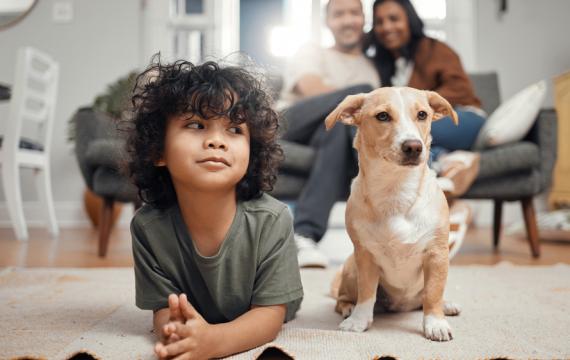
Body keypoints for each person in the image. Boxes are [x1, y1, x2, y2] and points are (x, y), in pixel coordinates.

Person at [126, 58, 303, 359]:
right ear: (158, 151)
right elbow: (164, 310)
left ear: (252, 151)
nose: (216, 141)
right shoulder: (147, 227)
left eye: (235, 129)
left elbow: (270, 315)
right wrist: (179, 336)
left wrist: (213, 342)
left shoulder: (273, 219)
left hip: (268, 305)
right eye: (196, 125)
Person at [279, 0, 380, 268]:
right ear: (328, 22)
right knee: (364, 91)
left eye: (354, 13)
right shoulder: (312, 52)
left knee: (337, 130)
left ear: (363, 19)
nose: (347, 20)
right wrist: (359, 99)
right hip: (290, 125)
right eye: (339, 14)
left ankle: (305, 236)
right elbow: (310, 87)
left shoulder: (371, 66)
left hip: (332, 131)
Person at [366, 0, 485, 197]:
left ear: (409, 21)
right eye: (379, 22)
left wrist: (416, 106)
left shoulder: (435, 49)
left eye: (394, 19)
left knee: (397, 131)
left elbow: (460, 89)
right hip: (421, 124)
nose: (386, 27)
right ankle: (447, 165)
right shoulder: (383, 64)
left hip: (464, 116)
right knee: (408, 143)